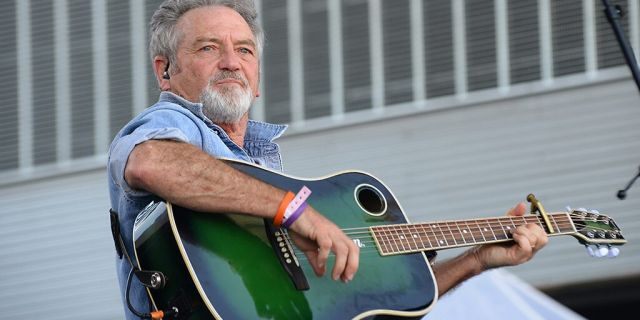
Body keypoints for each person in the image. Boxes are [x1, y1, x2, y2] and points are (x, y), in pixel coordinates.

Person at [107, 0, 549, 318]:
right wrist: (296, 211)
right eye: (207, 48)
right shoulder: (173, 123)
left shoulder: (260, 172)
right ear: (165, 70)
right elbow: (151, 162)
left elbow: (367, 303)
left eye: (244, 49)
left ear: (257, 77)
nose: (231, 62)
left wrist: (477, 259)